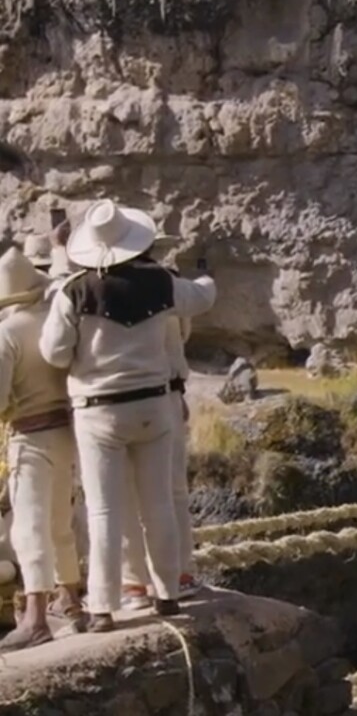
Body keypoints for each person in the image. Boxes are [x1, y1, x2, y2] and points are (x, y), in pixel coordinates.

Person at [40, 200, 217, 632]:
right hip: (154, 404)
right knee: (158, 502)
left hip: (100, 411)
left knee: (104, 511)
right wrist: (208, 273)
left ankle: (102, 604)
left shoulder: (74, 292)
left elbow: (54, 353)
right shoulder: (161, 282)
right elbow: (203, 297)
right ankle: (168, 594)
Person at [0, 244, 84, 650]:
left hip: (29, 437)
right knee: (60, 523)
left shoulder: (6, 333)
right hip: (67, 430)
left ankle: (35, 618)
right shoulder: (52, 320)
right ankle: (71, 599)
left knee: (28, 529)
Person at [121, 232, 201, 610]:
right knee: (171, 492)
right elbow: (183, 336)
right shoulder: (167, 283)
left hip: (126, 399)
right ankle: (179, 574)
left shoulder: (103, 285)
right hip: (166, 393)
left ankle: (135, 584)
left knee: (128, 495)